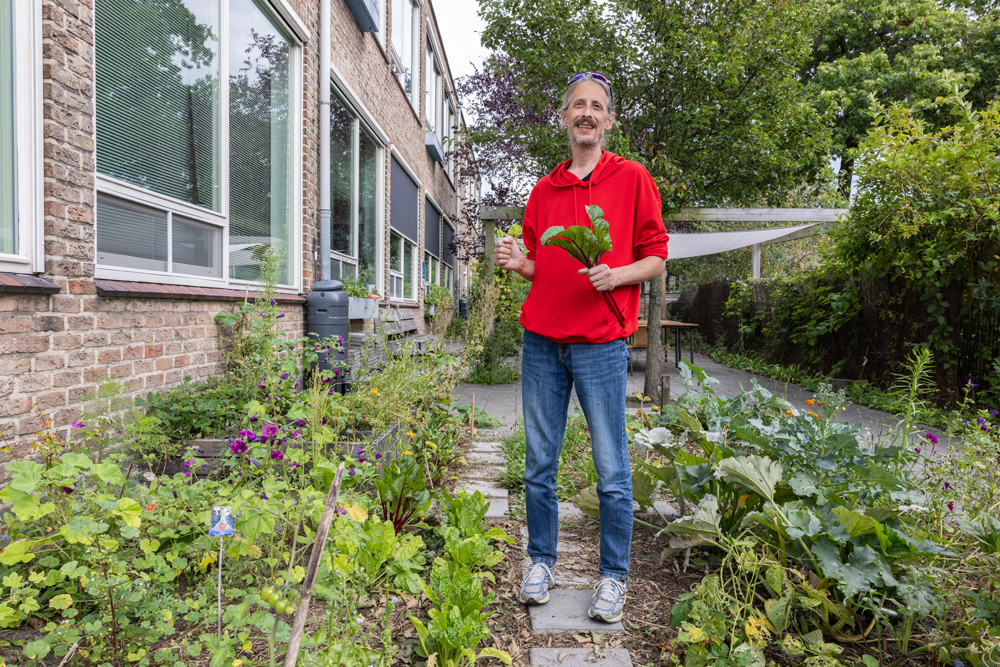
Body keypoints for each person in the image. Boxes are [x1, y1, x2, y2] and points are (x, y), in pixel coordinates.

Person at [493, 72, 669, 623]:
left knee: (612, 469)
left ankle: (613, 577)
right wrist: (521, 263)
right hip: (543, 342)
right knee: (537, 465)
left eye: (597, 107)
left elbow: (658, 256)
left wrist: (616, 276)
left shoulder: (632, 178)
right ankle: (541, 562)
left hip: (600, 345)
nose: (587, 114)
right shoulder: (544, 191)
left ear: (609, 120)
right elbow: (541, 265)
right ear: (565, 117)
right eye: (578, 106)